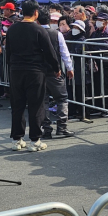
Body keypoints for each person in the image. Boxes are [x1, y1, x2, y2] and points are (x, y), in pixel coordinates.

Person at [5, 0, 60, 152]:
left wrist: (11, 67)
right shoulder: (39, 30)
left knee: (17, 106)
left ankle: (17, 139)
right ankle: (35, 140)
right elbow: (49, 52)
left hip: (16, 70)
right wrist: (56, 68)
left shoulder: (12, 29)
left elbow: (8, 52)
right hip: (35, 71)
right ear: (36, 12)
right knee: (36, 106)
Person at [37, 9, 75, 138]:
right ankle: (62, 127)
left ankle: (46, 129)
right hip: (55, 72)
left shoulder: (35, 33)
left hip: (39, 72)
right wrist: (69, 68)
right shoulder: (56, 34)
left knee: (43, 101)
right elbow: (64, 53)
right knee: (62, 99)